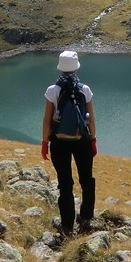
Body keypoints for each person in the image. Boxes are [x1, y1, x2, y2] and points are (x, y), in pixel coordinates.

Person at [40, 49, 97, 235]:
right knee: (86, 179)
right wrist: (93, 140)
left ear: (60, 68)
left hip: (59, 142)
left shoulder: (52, 90)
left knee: (65, 183)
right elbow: (91, 119)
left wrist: (44, 143)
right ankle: (86, 217)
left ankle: (67, 226)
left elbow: (47, 120)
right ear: (76, 68)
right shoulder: (85, 89)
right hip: (82, 141)